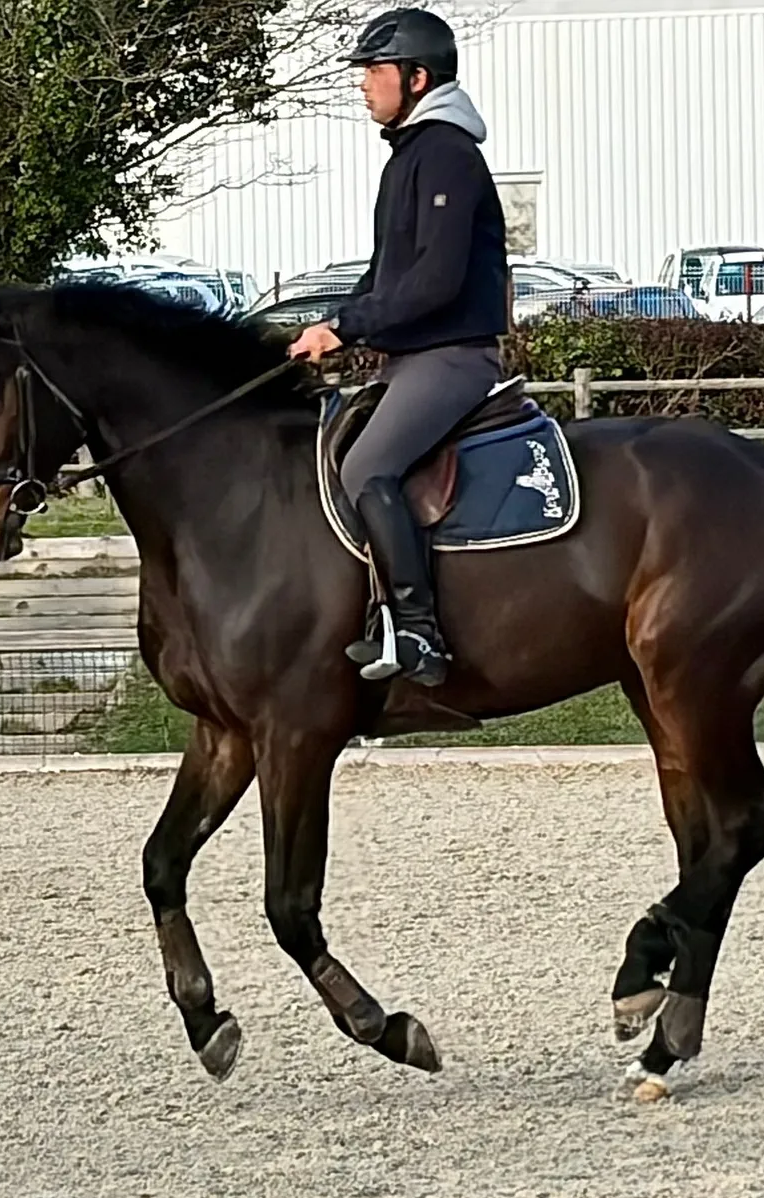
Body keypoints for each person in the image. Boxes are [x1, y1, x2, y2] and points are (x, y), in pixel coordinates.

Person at [287, 6, 509, 689]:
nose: (363, 84)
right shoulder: (412, 155)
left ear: (416, 78)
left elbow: (436, 283)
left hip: (452, 357)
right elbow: (388, 273)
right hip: (411, 357)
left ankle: (415, 630)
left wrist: (349, 328)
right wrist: (330, 323)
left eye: (373, 71)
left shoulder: (445, 153)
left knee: (365, 469)